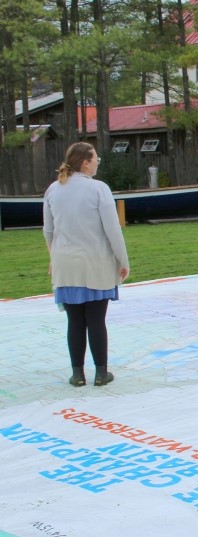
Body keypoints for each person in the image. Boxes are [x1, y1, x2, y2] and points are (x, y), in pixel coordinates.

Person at [43, 142, 130, 387]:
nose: (97, 162)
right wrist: (123, 261)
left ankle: (77, 374)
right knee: (96, 320)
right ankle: (101, 373)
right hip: (96, 264)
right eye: (96, 159)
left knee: (75, 321)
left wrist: (54, 257)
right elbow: (113, 231)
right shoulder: (99, 189)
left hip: (66, 265)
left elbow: (48, 231)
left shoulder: (53, 189)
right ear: (85, 162)